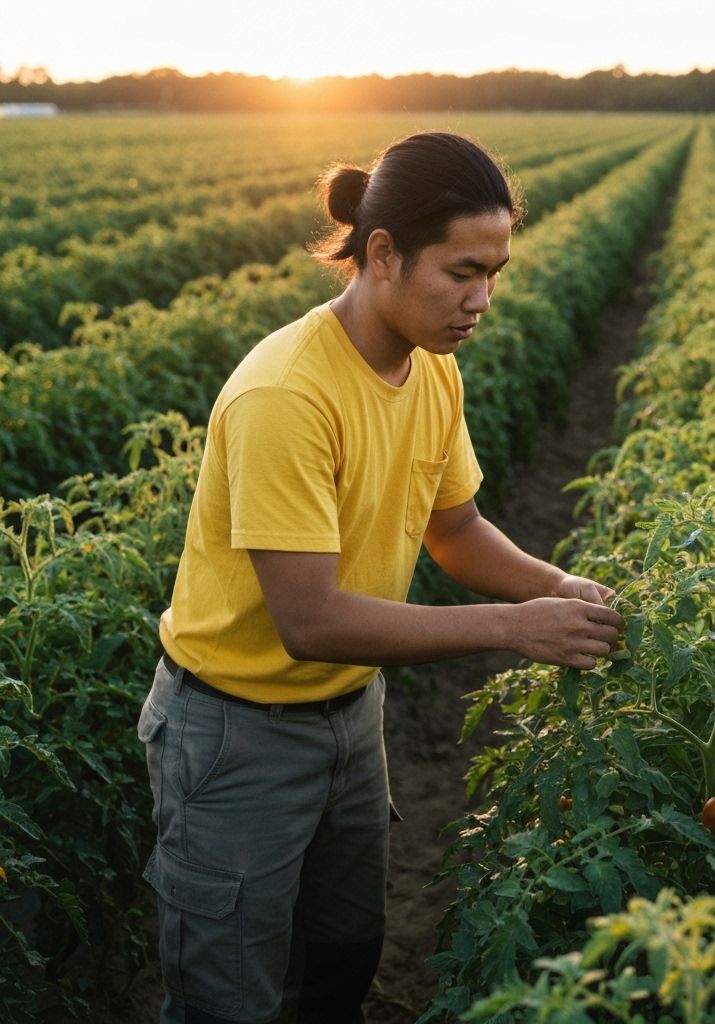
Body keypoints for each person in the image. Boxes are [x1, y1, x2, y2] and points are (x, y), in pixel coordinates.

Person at [137, 131, 624, 1024]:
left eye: (496, 274)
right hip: (234, 733)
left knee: (341, 962)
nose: (481, 300)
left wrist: (558, 588)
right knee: (227, 997)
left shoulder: (432, 371)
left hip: (349, 716)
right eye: (462, 272)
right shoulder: (288, 394)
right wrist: (512, 630)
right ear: (384, 254)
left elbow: (458, 531)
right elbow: (310, 622)